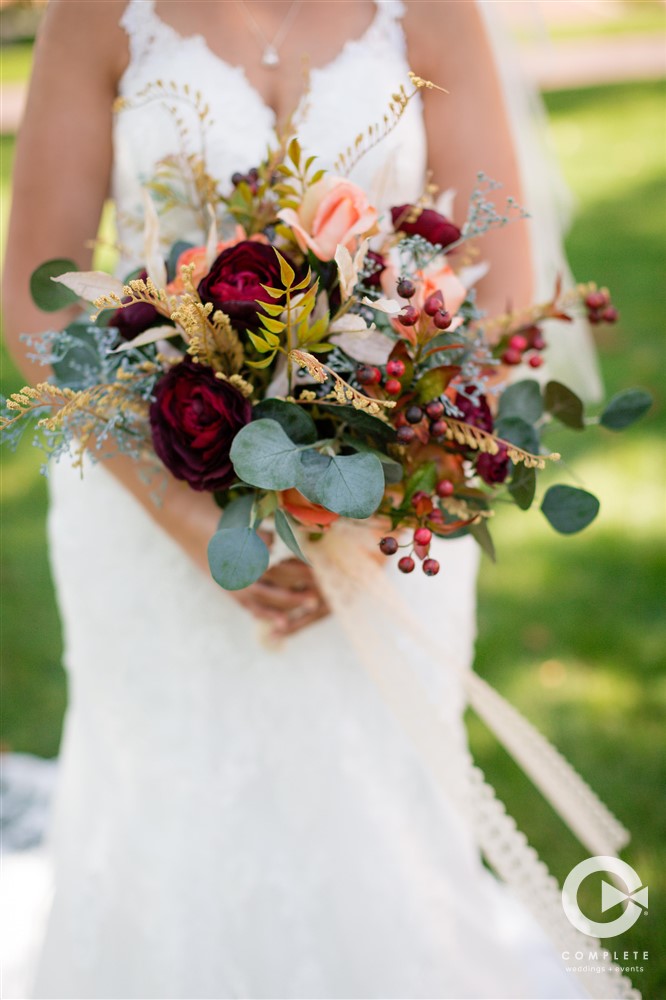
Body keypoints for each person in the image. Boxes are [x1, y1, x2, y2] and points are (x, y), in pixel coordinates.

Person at [0, 2, 628, 998]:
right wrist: (186, 514)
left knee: (375, 810)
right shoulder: (97, 14)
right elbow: (38, 300)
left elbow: (505, 294)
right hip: (145, 501)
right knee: (167, 814)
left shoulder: (431, 11)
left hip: (390, 513)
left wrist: (385, 509)